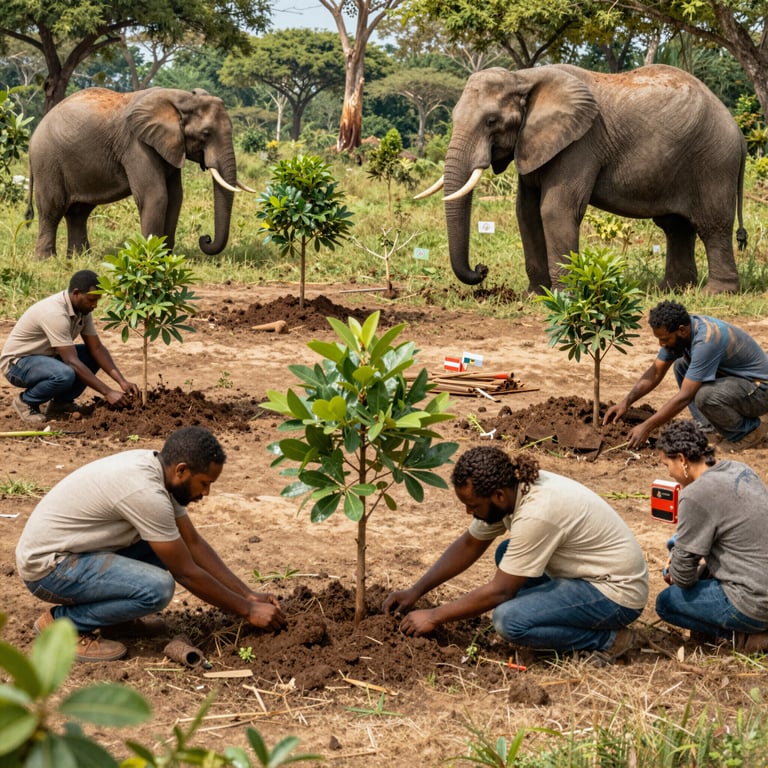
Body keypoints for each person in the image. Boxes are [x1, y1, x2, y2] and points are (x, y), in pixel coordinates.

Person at [16, 426, 287, 662]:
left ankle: (116, 621)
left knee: (168, 547)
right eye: (204, 483)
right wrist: (247, 610)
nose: (206, 493)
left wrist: (248, 594)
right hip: (50, 568)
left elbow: (192, 543)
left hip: (78, 553)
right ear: (182, 470)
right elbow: (186, 572)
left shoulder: (160, 472)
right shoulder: (146, 492)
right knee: (157, 588)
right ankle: (64, 624)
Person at [383, 446, 649, 662]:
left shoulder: (537, 513)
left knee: (508, 620)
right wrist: (416, 591)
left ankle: (610, 641)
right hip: (586, 575)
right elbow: (469, 545)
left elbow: (501, 591)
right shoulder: (512, 489)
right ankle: (556, 618)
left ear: (497, 496)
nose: (468, 512)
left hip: (616, 594)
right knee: (506, 553)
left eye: (472, 506)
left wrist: (434, 615)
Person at [654, 420, 768, 653]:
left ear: (683, 460)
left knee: (666, 603)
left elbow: (683, 578)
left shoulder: (695, 495)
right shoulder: (740, 469)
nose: (669, 472)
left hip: (755, 602)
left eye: (667, 464)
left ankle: (747, 639)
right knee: (704, 569)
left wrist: (675, 565)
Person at [603, 300, 768, 452]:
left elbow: (685, 397)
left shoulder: (706, 341)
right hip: (739, 383)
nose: (661, 344)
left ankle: (748, 432)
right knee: (682, 364)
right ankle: (708, 428)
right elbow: (656, 371)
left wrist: (646, 427)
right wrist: (625, 402)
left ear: (681, 330)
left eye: (664, 339)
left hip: (760, 390)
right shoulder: (685, 330)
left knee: (705, 396)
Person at [0, 269, 139, 423]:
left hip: (45, 358)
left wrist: (122, 381)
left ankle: (61, 404)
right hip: (17, 364)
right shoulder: (55, 313)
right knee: (64, 374)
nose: (94, 305)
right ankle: (26, 401)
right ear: (76, 293)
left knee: (90, 356)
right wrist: (107, 392)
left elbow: (97, 348)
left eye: (97, 300)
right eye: (91, 300)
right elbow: (71, 361)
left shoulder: (83, 310)